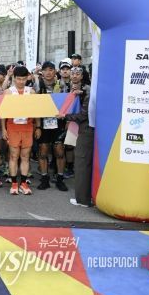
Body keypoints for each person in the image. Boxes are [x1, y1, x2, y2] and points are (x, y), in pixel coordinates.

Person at [2, 66, 38, 195]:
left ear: (27, 78)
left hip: (27, 127)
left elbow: (37, 111)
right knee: (13, 156)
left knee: (25, 156)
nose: (21, 82)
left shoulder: (31, 92)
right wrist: (3, 129)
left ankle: (23, 183)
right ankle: (14, 183)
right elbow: (3, 112)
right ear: (14, 78)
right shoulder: (8, 92)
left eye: (23, 79)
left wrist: (38, 126)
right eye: (18, 79)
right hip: (12, 126)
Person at [35, 61, 69, 192]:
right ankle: (44, 178)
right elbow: (34, 107)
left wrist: (67, 120)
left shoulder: (61, 85)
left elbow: (67, 104)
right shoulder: (38, 85)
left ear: (55, 71)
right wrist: (38, 127)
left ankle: (60, 178)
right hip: (43, 123)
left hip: (58, 122)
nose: (48, 72)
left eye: (51, 70)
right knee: (43, 150)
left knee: (59, 151)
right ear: (42, 72)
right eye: (45, 70)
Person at [63, 66, 93, 207]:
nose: (74, 76)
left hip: (85, 129)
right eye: (72, 73)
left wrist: (65, 116)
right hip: (78, 127)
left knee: (81, 162)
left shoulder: (88, 90)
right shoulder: (73, 88)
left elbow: (82, 115)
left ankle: (83, 199)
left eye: (78, 73)